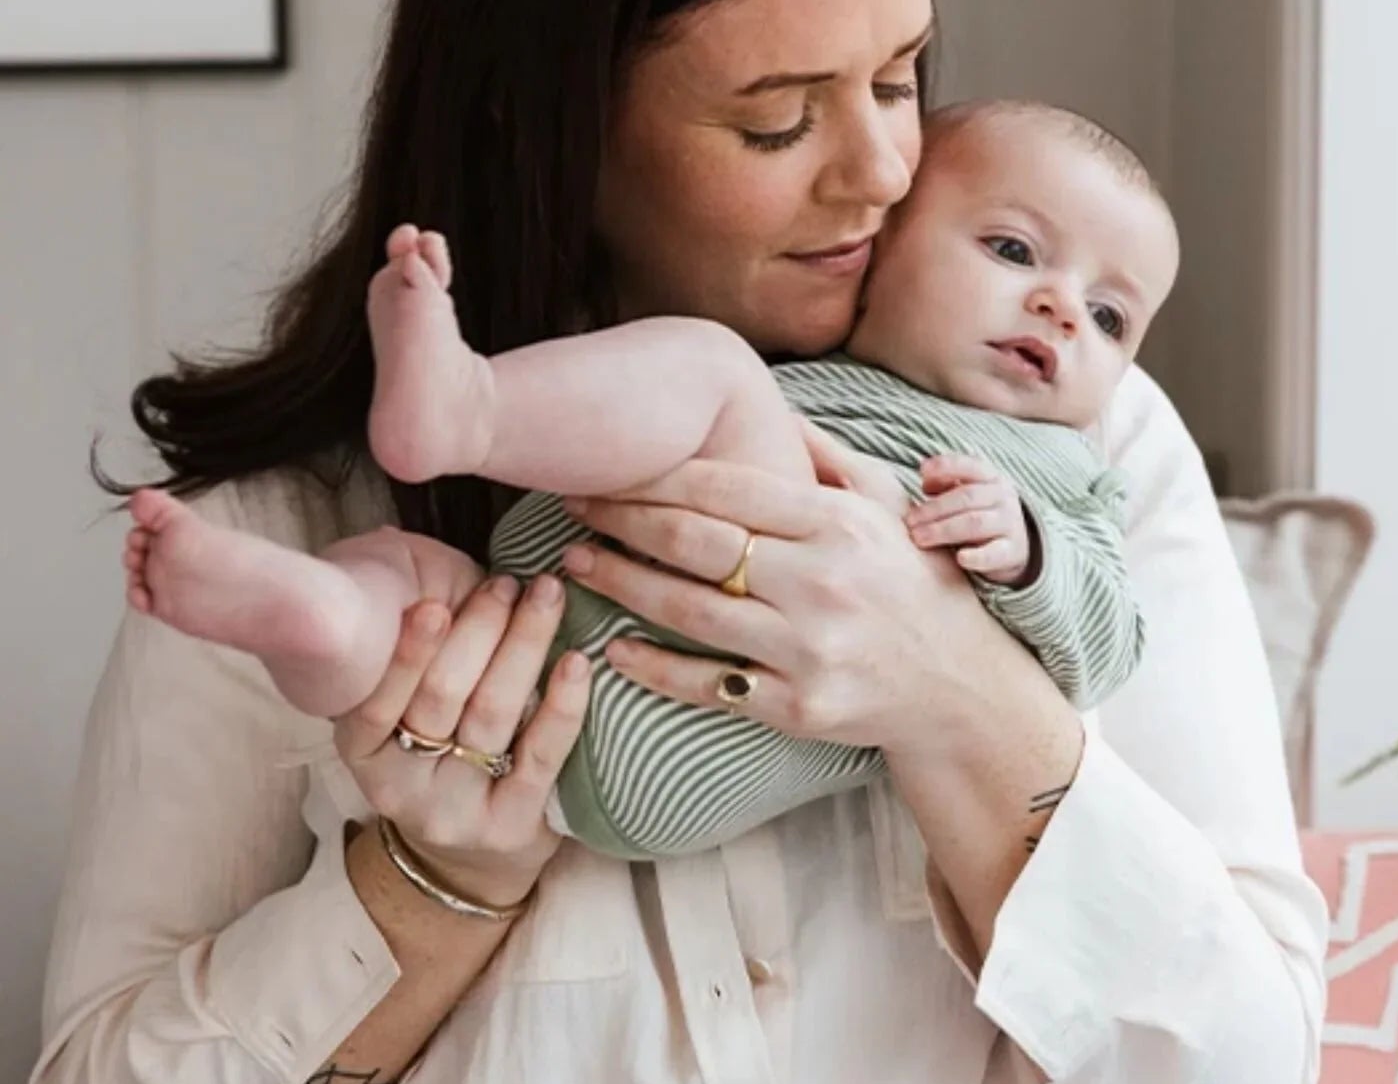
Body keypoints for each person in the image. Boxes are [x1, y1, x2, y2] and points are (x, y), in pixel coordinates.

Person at [27, 0, 1328, 1084]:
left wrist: (957, 695)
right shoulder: (283, 518)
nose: (881, 171)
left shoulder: (1071, 446)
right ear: (551, 120)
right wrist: (435, 887)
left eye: (901, 78)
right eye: (778, 121)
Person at [118, 100, 1176, 861]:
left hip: (713, 737)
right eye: (1013, 250)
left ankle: (469, 409)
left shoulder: (1063, 471)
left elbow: (1112, 639)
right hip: (533, 704)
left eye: (1110, 316)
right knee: (410, 594)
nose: (1062, 311)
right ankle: (312, 613)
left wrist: (1029, 552)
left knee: (711, 373)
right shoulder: (808, 372)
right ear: (878, 243)